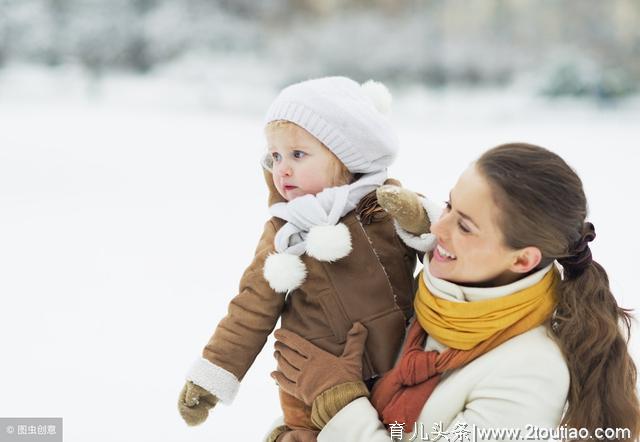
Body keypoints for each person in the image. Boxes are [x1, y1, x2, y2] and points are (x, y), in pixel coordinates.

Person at [272, 143, 640, 441]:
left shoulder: (529, 373)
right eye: (449, 205)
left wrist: (338, 402)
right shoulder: (424, 299)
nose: (439, 227)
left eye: (465, 227)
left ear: (523, 259)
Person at [176, 76, 443, 441]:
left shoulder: (382, 205)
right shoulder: (285, 232)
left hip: (397, 366)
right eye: (276, 156)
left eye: (297, 155)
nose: (282, 169)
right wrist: (212, 375)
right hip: (311, 378)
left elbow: (445, 244)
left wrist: (417, 218)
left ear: (345, 156)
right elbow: (251, 308)